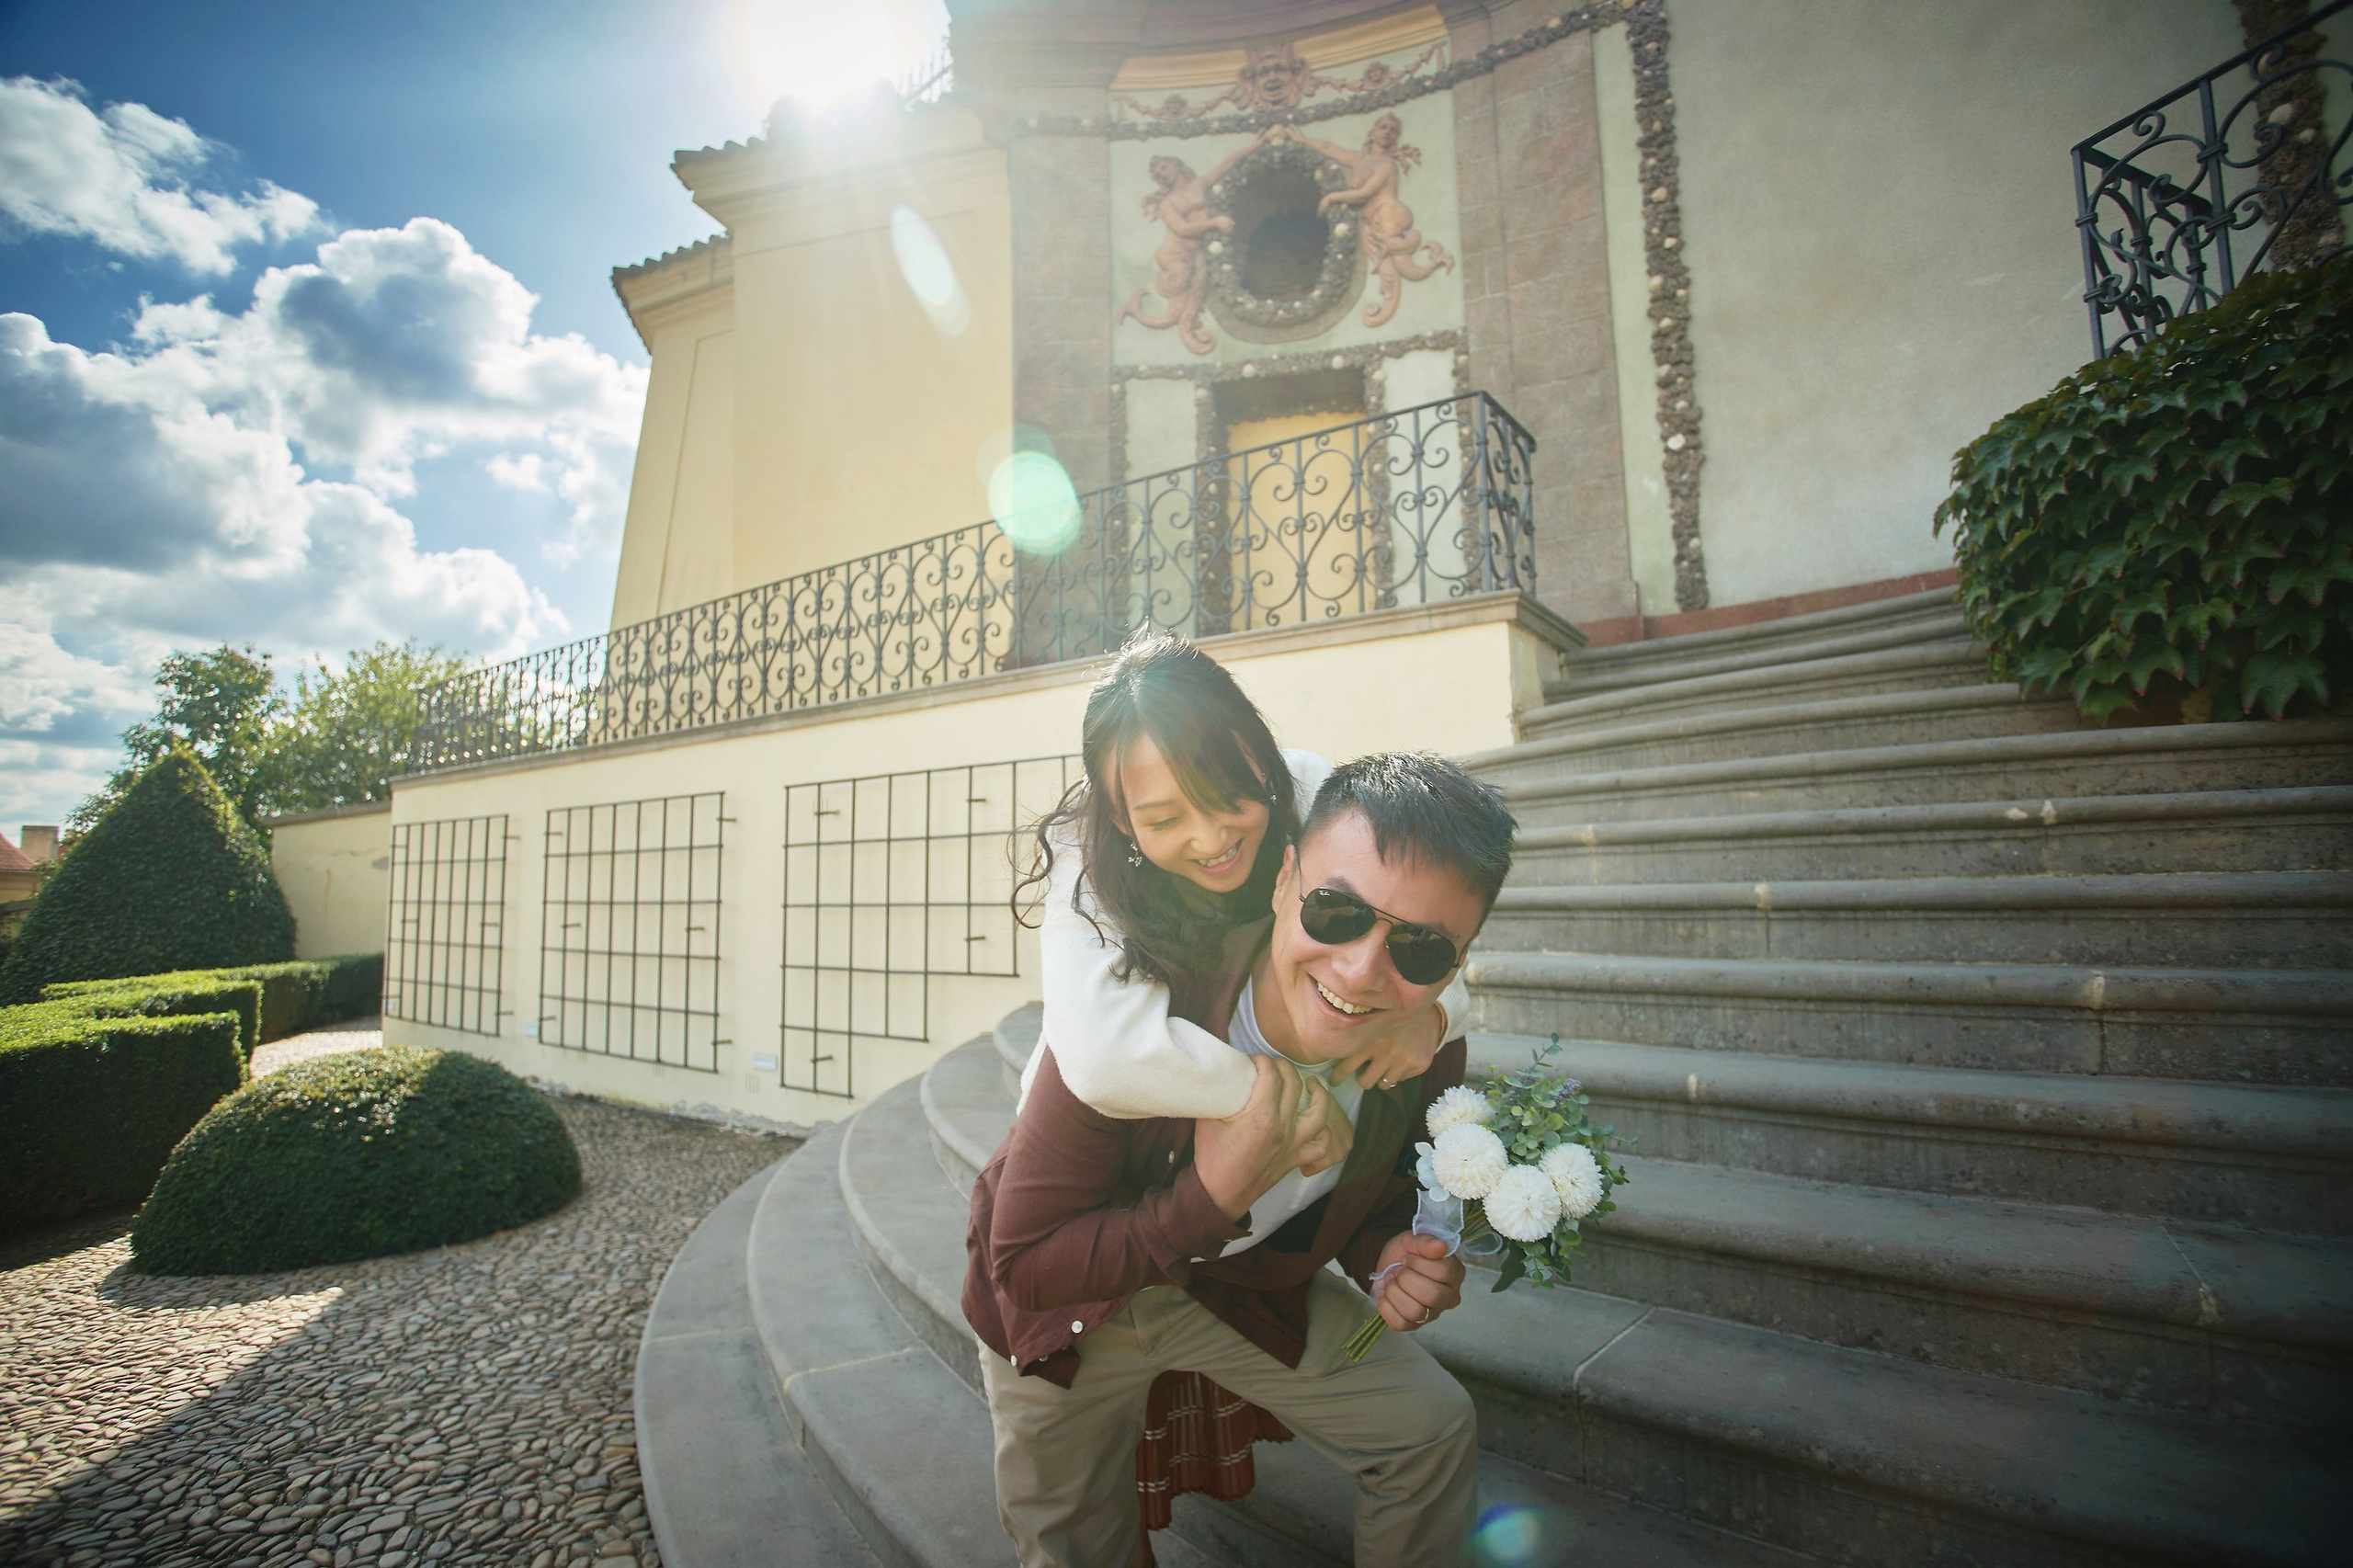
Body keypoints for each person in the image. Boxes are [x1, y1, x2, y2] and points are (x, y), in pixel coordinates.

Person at [966, 752, 1518, 1567]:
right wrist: (1211, 1193)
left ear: (1458, 963)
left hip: (1231, 1291)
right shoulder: (1139, 1016)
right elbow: (1025, 1264)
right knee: (1074, 1545)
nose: (1361, 971)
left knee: (1430, 1428)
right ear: (1283, 876)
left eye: (1422, 951)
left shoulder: (1419, 1046)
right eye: (1336, 911)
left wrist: (1386, 1253)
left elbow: (1382, 1185)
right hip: (1070, 1313)